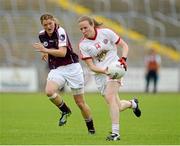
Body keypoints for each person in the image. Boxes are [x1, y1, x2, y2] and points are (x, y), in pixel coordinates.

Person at [77, 16, 141, 141]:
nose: (84, 30)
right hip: (101, 75)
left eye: (85, 27)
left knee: (110, 97)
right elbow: (91, 66)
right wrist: (105, 71)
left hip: (116, 69)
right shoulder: (83, 45)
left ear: (92, 25)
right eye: (81, 29)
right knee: (117, 105)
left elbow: (125, 46)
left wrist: (123, 59)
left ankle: (115, 134)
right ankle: (132, 103)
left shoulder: (106, 33)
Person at [33, 14, 95, 134]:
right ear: (42, 25)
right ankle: (65, 110)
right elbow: (47, 48)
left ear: (54, 22)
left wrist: (45, 50)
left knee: (80, 103)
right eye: (45, 25)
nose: (48, 26)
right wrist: (45, 53)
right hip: (57, 69)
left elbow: (62, 53)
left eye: (50, 23)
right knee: (49, 91)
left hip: (72, 68)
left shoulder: (61, 32)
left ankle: (91, 128)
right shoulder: (42, 35)